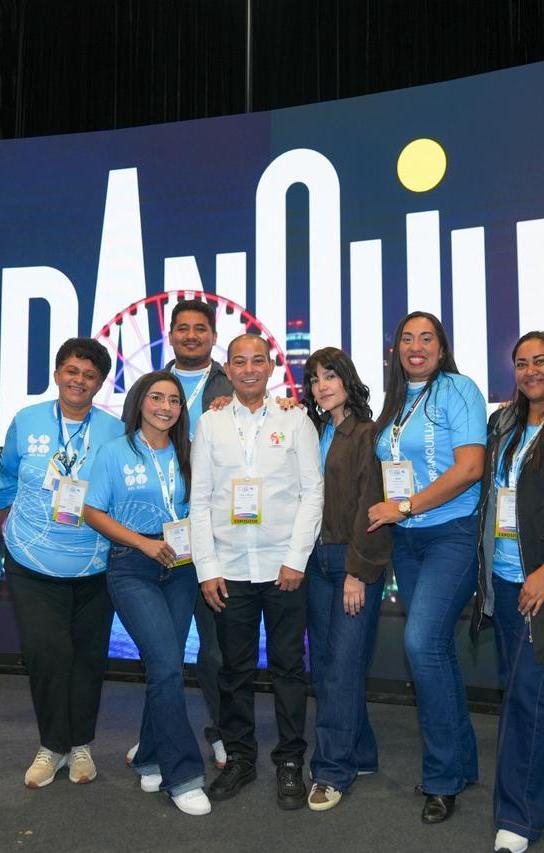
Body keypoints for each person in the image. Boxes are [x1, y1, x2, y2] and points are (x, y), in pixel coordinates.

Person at [190, 333, 323, 809]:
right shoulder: (209, 423)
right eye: (239, 361)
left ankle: (290, 763)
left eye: (258, 361)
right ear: (228, 368)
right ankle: (241, 760)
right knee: (233, 671)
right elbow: (200, 499)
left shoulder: (295, 419)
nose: (249, 369)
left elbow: (313, 492)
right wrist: (207, 568)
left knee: (289, 670)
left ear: (271, 367)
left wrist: (295, 558)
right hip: (229, 568)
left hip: (282, 568)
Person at [368, 311, 487, 823]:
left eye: (427, 337)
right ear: (396, 350)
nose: (416, 346)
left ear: (442, 346)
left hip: (451, 535)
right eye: (407, 338)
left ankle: (441, 779)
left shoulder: (458, 389)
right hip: (409, 543)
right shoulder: (395, 402)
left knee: (420, 644)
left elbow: (470, 467)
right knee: (434, 650)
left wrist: (407, 506)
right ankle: (461, 763)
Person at [84, 370, 210, 815]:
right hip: (133, 565)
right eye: (157, 397)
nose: (165, 407)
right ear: (140, 402)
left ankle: (152, 755)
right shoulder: (114, 453)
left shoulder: (188, 453)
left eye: (174, 401)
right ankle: (184, 775)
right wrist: (142, 543)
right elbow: (92, 510)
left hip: (180, 566)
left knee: (167, 666)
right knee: (165, 665)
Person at [0, 337, 124, 788]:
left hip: (94, 565)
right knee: (47, 654)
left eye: (90, 375)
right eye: (72, 371)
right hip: (30, 560)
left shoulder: (114, 430)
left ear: (100, 383)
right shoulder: (26, 420)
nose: (79, 380)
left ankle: (81, 745)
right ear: (57, 375)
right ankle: (52, 746)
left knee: (88, 658)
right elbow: (7, 477)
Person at [124, 298, 231, 770]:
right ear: (171, 334)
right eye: (183, 328)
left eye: (200, 328)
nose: (191, 335)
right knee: (163, 652)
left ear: (212, 335)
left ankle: (223, 732)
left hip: (213, 536)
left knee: (216, 650)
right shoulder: (149, 386)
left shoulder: (236, 383)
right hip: (155, 543)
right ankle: (158, 735)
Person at [302, 347, 392, 811]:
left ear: (347, 379)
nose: (322, 384)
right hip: (315, 562)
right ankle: (362, 752)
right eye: (315, 378)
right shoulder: (314, 428)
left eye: (330, 375)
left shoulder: (366, 433)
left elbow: (370, 505)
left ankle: (332, 771)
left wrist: (357, 570)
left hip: (352, 563)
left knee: (339, 670)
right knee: (330, 667)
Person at [473, 331, 544, 853]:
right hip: (502, 576)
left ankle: (517, 819)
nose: (530, 371)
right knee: (522, 694)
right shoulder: (504, 423)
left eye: (541, 361)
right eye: (522, 363)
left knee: (526, 700)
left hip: (537, 583)